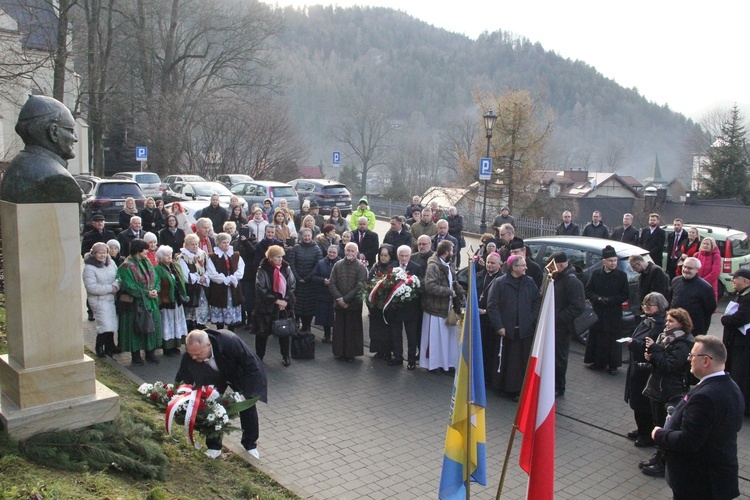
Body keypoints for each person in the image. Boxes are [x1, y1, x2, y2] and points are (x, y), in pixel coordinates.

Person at [652, 335, 744, 499]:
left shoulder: (705, 397)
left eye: (692, 355)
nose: (688, 359)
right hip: (717, 479)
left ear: (706, 361)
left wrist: (659, 434)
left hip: (698, 484)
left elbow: (689, 441)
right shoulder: (730, 386)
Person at [176, 329, 267, 460]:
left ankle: (250, 445)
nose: (194, 358)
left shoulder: (230, 342)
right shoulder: (191, 356)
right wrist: (179, 396)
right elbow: (183, 379)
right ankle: (214, 446)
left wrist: (247, 394)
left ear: (208, 345)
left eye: (197, 354)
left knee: (247, 406)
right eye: (191, 354)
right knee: (211, 405)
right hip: (215, 375)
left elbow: (252, 366)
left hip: (239, 373)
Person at [640, 308, 695, 478]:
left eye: (671, 321)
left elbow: (670, 366)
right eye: (667, 320)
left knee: (666, 426)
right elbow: (659, 362)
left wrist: (656, 351)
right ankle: (658, 457)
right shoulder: (664, 337)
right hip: (657, 387)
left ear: (681, 323)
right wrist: (650, 356)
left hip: (670, 390)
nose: (667, 324)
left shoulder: (683, 343)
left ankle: (664, 463)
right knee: (657, 422)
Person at [0, 94, 81, 204]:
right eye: (71, 131)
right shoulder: (56, 178)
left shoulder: (15, 166)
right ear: (53, 132)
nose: (75, 138)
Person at [486, 255, 540, 397]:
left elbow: (536, 301)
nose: (525, 267)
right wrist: (499, 325)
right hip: (506, 331)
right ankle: (502, 387)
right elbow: (492, 306)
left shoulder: (529, 282)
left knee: (520, 362)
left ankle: (518, 389)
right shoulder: (499, 283)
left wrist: (531, 318)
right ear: (513, 268)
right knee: (505, 361)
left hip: (524, 331)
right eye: (522, 265)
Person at [624, 292, 667, 447]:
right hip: (637, 368)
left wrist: (634, 344)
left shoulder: (659, 325)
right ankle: (641, 429)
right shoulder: (647, 320)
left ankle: (646, 434)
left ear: (660, 307)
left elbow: (654, 348)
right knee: (636, 401)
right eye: (644, 304)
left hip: (646, 371)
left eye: (650, 305)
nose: (646, 307)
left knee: (643, 404)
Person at [420, 240, 465, 372]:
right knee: (435, 340)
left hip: (446, 308)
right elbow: (430, 286)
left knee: (446, 339)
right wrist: (449, 292)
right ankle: (433, 365)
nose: (453, 252)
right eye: (452, 250)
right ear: (446, 252)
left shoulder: (449, 263)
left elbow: (453, 281)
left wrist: (460, 291)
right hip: (435, 308)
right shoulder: (433, 266)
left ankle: (447, 363)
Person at [116, 239, 162, 366]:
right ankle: (136, 355)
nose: (148, 251)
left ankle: (150, 352)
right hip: (136, 303)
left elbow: (156, 278)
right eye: (145, 249)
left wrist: (155, 289)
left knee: (151, 326)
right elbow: (130, 286)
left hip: (151, 301)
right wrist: (146, 293)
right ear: (137, 251)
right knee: (136, 328)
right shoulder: (126, 266)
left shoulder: (146, 261)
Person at [584, 245, 629, 374]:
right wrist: (597, 298)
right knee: (597, 338)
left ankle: (613, 365)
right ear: (604, 262)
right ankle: (598, 362)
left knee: (612, 339)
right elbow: (588, 290)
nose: (613, 263)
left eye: (615, 260)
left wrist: (611, 300)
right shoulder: (596, 273)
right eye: (610, 261)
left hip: (613, 312)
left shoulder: (621, 276)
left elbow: (625, 294)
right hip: (598, 311)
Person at [550, 251, 585, 398]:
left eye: (552, 265)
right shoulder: (556, 277)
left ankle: (559, 386)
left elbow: (577, 306)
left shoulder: (572, 281)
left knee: (559, 358)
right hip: (553, 325)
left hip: (561, 327)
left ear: (560, 265)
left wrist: (558, 318)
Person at [255, 245, 296, 366]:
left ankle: (285, 356)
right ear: (270, 258)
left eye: (281, 256)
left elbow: (292, 285)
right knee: (262, 333)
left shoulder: (286, 268)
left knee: (284, 333)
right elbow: (260, 288)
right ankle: (259, 356)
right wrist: (275, 300)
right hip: (266, 307)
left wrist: (286, 301)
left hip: (284, 307)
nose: (280, 259)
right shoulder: (262, 269)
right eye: (278, 257)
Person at [329, 242, 368, 361]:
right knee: (339, 329)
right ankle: (339, 352)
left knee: (352, 330)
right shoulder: (337, 265)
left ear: (357, 253)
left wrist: (345, 299)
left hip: (353, 305)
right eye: (348, 250)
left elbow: (360, 286)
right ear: (344, 251)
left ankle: (351, 354)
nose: (349, 253)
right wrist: (339, 299)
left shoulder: (361, 267)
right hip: (339, 304)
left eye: (352, 251)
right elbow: (332, 283)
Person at [387, 245, 424, 370]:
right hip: (395, 308)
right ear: (397, 256)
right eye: (401, 256)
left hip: (411, 309)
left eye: (406, 256)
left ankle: (411, 360)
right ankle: (398, 357)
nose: (403, 258)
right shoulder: (391, 267)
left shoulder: (417, 268)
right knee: (396, 334)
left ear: (410, 256)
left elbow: (420, 288)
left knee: (411, 335)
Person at [82, 242, 120, 357]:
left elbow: (118, 277)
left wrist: (116, 286)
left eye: (104, 253)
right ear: (94, 254)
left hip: (111, 298)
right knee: (105, 324)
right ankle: (99, 346)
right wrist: (110, 288)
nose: (102, 255)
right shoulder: (89, 268)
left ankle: (110, 346)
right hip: (99, 300)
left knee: (112, 324)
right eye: (99, 253)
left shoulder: (111, 263)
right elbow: (91, 287)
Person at [721, 268, 750, 416]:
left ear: (745, 280)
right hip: (737, 343)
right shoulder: (742, 295)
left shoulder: (748, 297)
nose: (732, 280)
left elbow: (740, 318)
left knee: (741, 376)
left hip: (743, 345)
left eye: (735, 278)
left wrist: (725, 319)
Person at [154, 245, 188, 356]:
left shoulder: (175, 266)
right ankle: (167, 347)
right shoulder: (158, 269)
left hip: (177, 300)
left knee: (177, 322)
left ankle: (176, 344)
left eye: (170, 254)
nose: (169, 256)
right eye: (166, 255)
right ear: (160, 257)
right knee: (167, 323)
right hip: (166, 301)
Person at [207, 233, 245, 330]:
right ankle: (220, 333)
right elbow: (212, 273)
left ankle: (231, 333)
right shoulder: (212, 257)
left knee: (232, 315)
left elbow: (240, 269)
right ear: (218, 244)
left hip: (233, 287)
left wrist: (233, 278)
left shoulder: (235, 255)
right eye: (224, 243)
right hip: (219, 288)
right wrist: (225, 280)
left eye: (228, 242)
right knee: (220, 310)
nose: (226, 244)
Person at [669, 257, 716, 336]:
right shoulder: (675, 281)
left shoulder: (705, 287)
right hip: (674, 326)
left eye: (690, 268)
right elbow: (670, 300)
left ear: (697, 270)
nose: (686, 270)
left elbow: (710, 309)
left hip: (694, 329)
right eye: (684, 267)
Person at [367, 244, 397, 360]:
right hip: (376, 305)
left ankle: (388, 351)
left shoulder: (394, 267)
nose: (383, 258)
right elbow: (369, 281)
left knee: (388, 330)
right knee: (376, 329)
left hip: (388, 305)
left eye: (385, 255)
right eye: (381, 255)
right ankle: (379, 350)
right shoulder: (376, 267)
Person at [290, 227, 323, 332]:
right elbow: (292, 264)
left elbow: (318, 265)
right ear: (301, 237)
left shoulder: (317, 249)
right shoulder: (296, 248)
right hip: (297, 283)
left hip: (310, 284)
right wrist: (298, 277)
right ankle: (296, 324)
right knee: (297, 305)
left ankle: (307, 326)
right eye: (305, 236)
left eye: (309, 236)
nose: (307, 238)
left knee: (309, 307)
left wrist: (307, 278)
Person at [477, 252, 503, 383]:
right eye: (488, 262)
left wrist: (486, 311)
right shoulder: (479, 276)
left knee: (489, 351)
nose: (489, 265)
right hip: (477, 320)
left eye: (492, 263)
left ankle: (487, 378)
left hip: (490, 321)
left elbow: (502, 303)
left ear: (500, 264)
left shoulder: (502, 280)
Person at [177, 233, 211, 331]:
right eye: (192, 244)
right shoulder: (182, 257)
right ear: (186, 245)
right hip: (190, 287)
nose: (195, 246)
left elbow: (208, 268)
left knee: (202, 305)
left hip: (202, 286)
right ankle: (191, 325)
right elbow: (184, 275)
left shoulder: (202, 254)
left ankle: (201, 323)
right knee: (191, 307)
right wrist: (198, 278)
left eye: (196, 244)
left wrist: (205, 276)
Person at [312, 245, 341, 344]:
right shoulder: (321, 263)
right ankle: (327, 335)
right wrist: (323, 280)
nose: (332, 254)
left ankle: (336, 336)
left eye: (334, 252)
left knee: (335, 318)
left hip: (335, 295)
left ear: (337, 253)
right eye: (330, 252)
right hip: (323, 294)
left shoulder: (340, 263)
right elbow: (314, 276)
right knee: (325, 317)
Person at [696, 237, 721, 302]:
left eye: (707, 244)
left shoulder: (716, 256)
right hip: (696, 284)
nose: (705, 245)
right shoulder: (696, 255)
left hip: (709, 285)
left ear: (712, 246)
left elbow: (715, 272)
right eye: (704, 243)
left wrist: (702, 282)